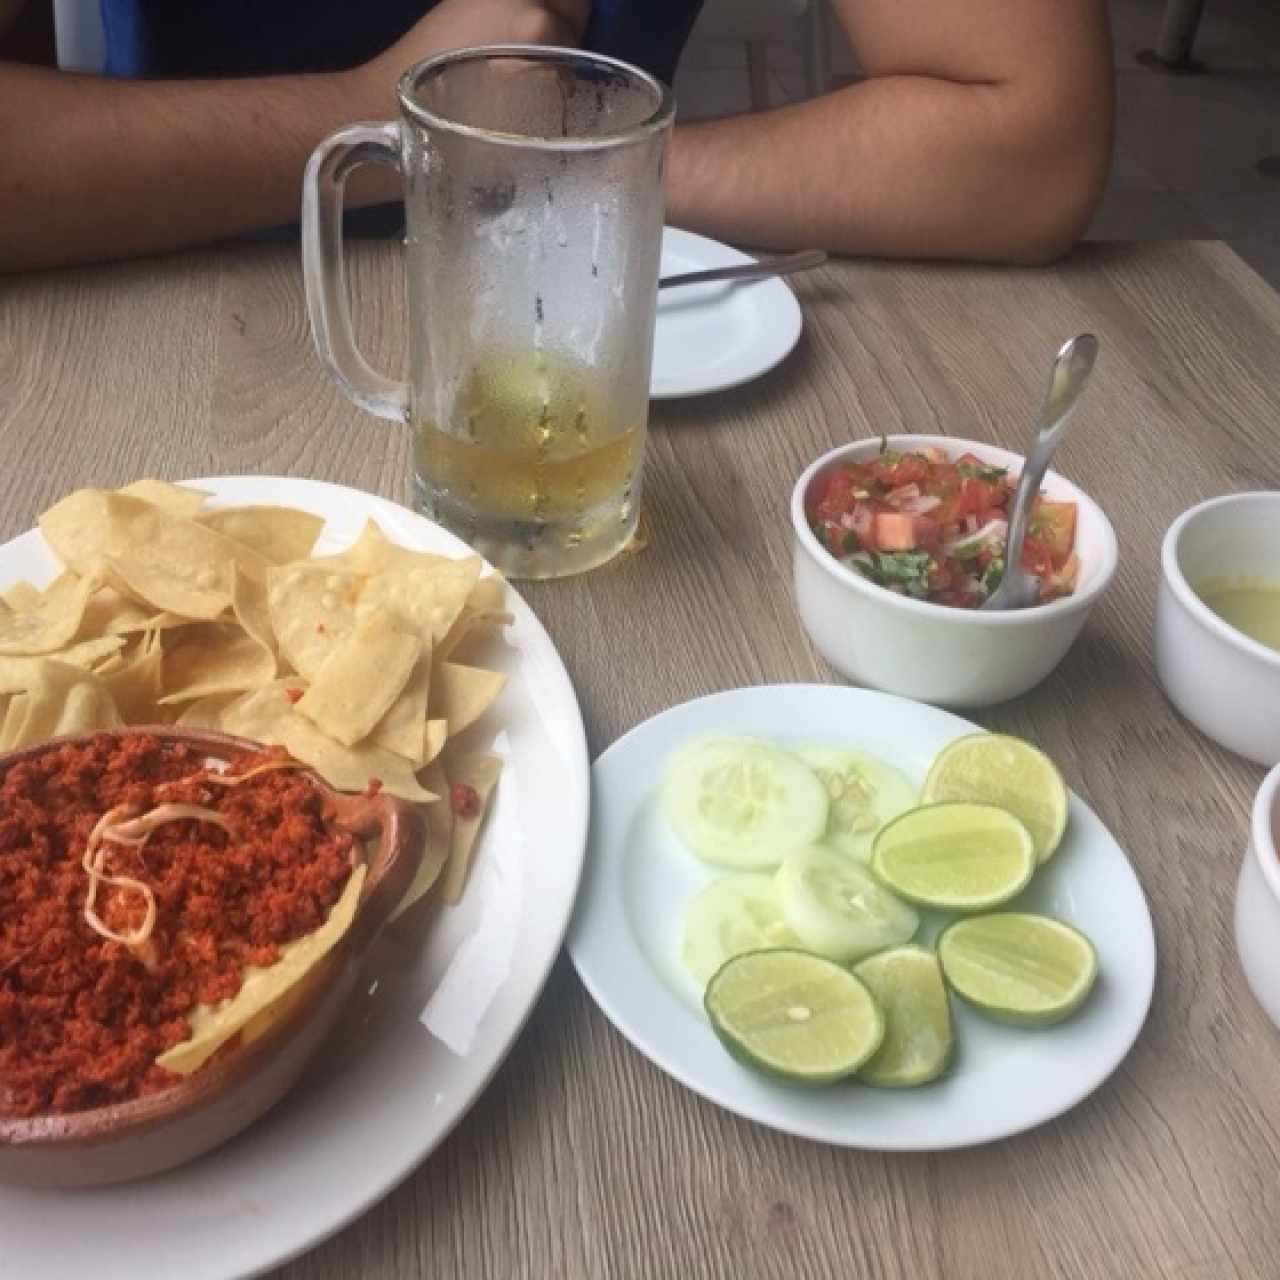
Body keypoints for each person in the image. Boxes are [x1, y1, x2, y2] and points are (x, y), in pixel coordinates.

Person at [0, 0, 1112, 273]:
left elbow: (1027, 141)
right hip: (142, 309)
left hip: (568, 314)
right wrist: (396, 115)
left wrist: (597, 156)